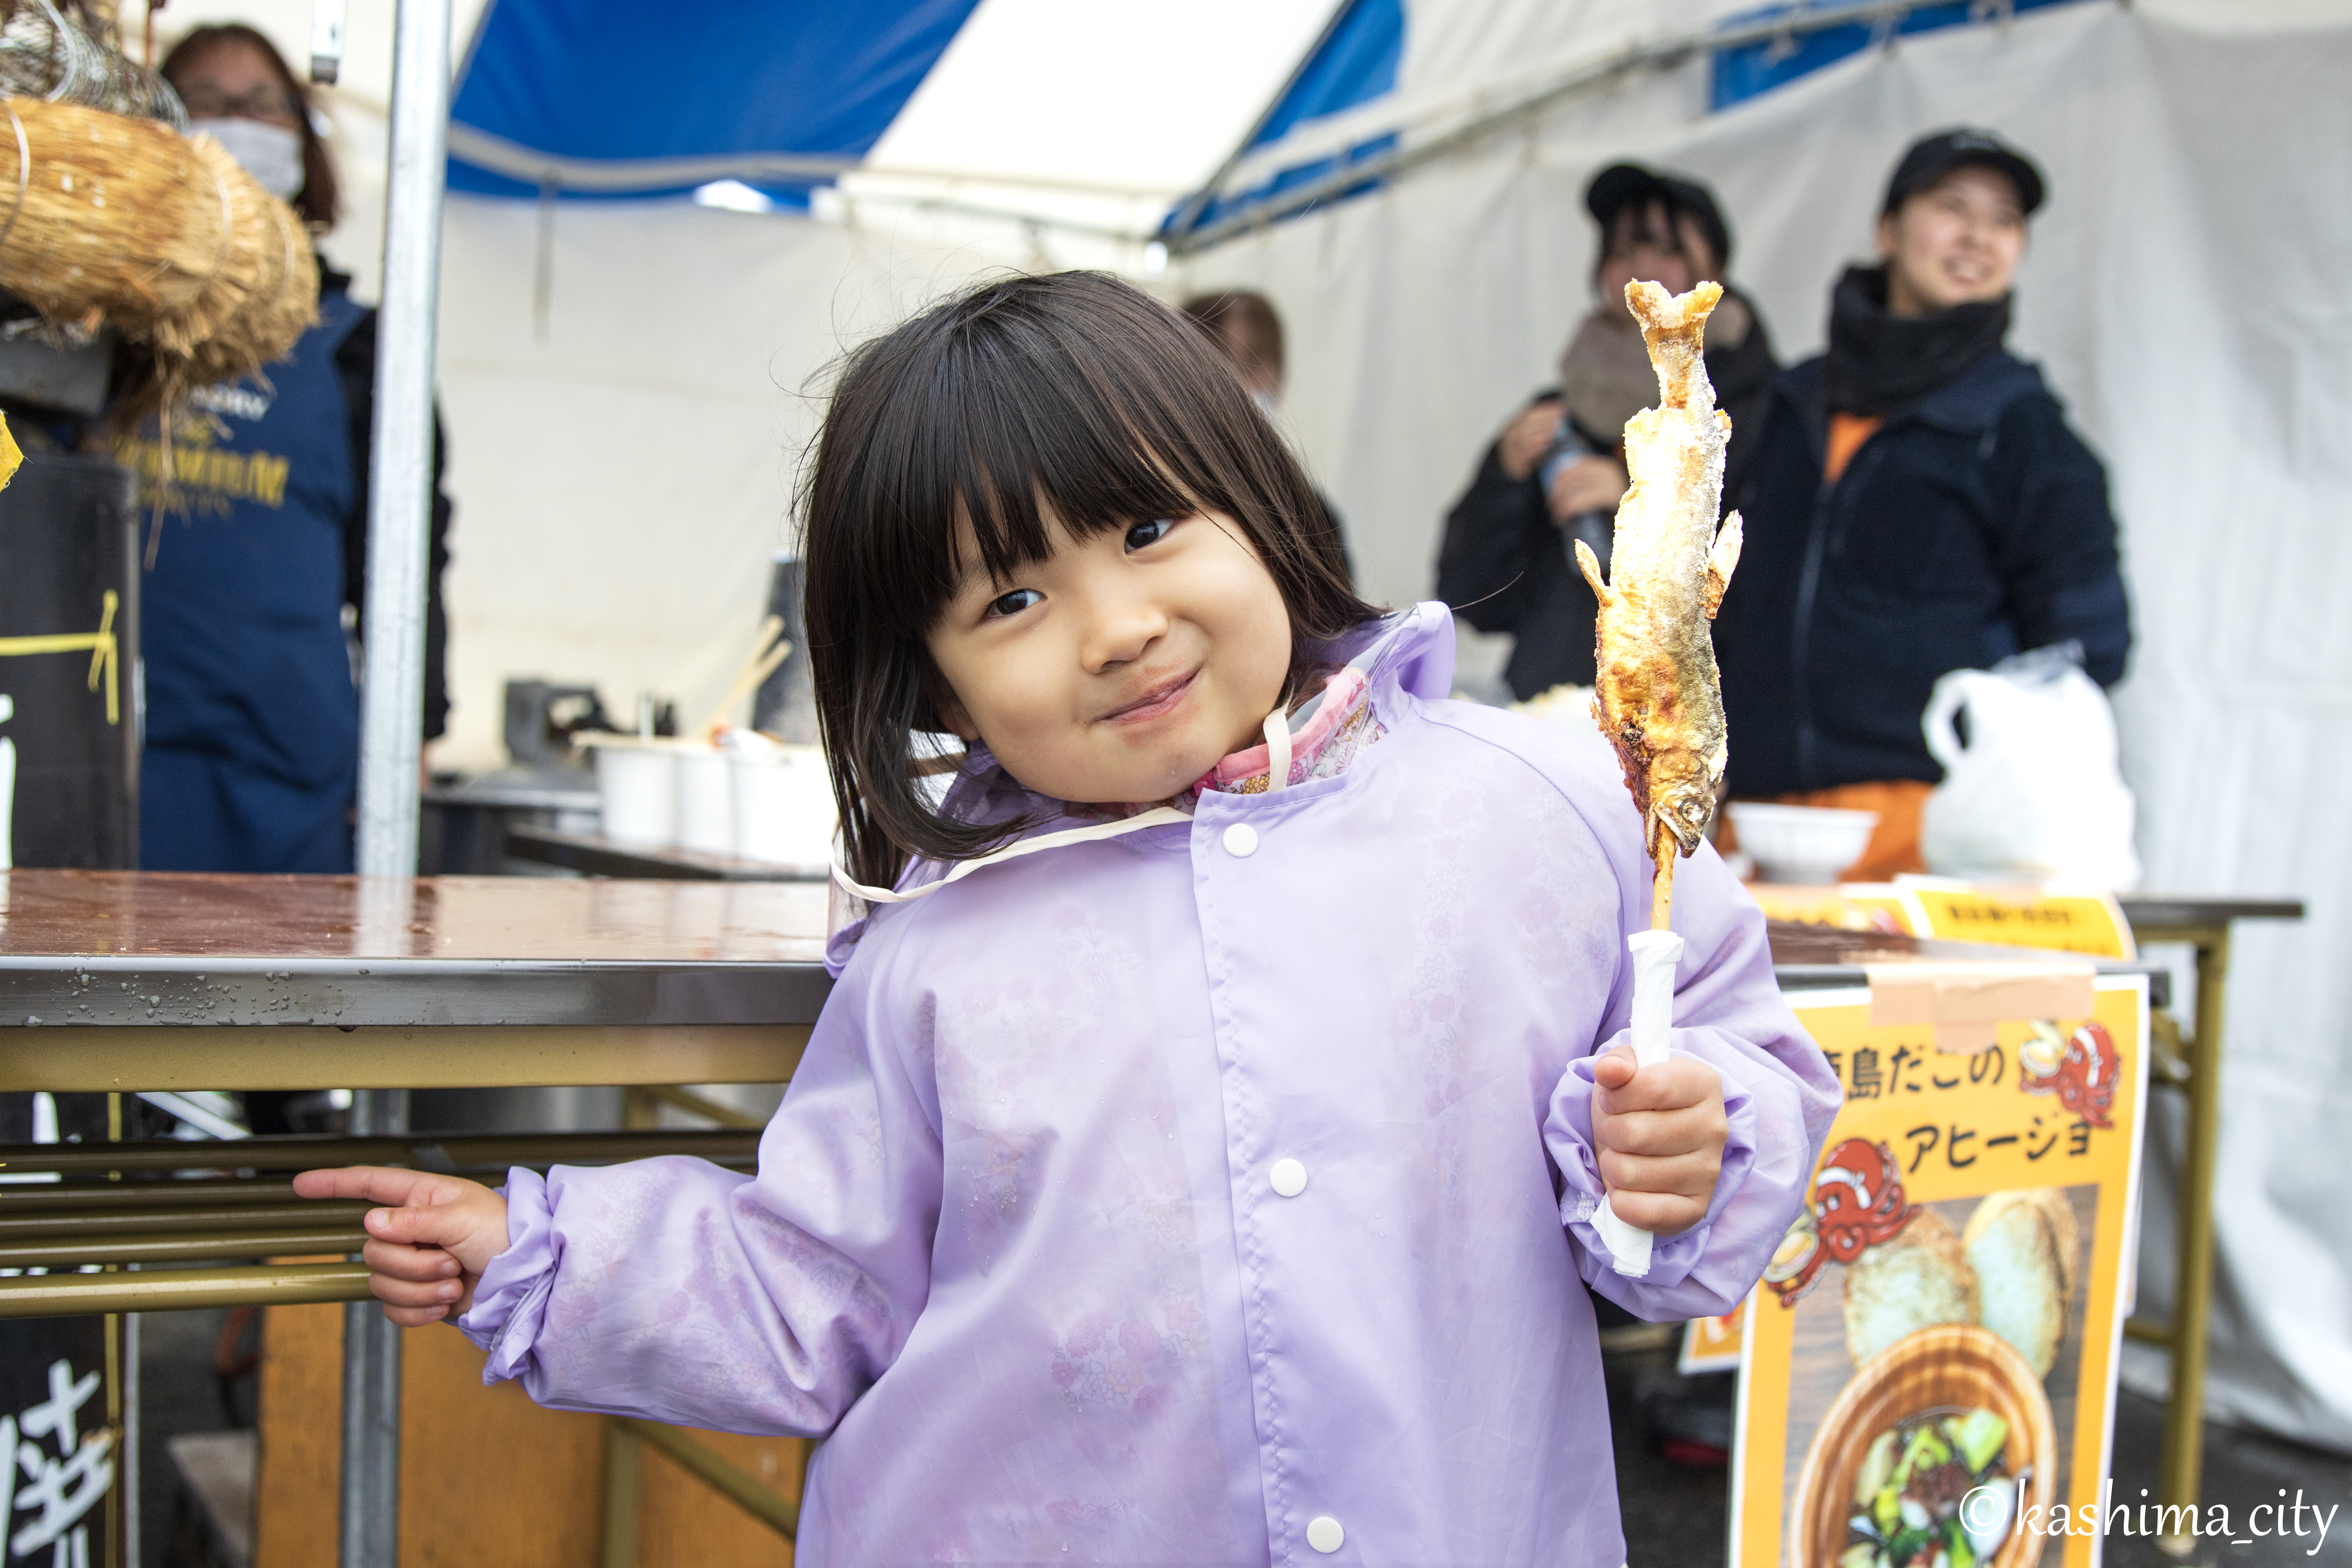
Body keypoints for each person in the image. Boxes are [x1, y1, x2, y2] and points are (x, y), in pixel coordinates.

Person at [295, 273, 1836, 1563]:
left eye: (1153, 527)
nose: (1117, 628)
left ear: (1260, 503)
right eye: (1010, 601)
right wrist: (545, 1255)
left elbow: (1715, 1071)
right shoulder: (940, 950)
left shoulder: (1553, 809)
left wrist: (1692, 1150)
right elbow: (820, 1284)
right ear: (933, 677)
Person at [1715, 129, 2130, 879]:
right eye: (1953, 207)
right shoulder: (1791, 402)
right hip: (1754, 822)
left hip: (1929, 835)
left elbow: (2091, 645)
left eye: (2005, 220)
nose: (1978, 236)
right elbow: (1725, 600)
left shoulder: (2023, 428)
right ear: (1888, 229)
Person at [130, 24, 452, 872]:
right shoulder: (101, 331)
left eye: (266, 103)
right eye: (206, 99)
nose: (238, 118)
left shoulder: (363, 350)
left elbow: (410, 572)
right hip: (113, 749)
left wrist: (411, 738)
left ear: (305, 142)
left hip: (290, 768)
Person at [1438, 163, 1777, 700]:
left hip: (1680, 735)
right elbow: (1470, 597)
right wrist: (1504, 478)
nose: (1642, 268)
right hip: (1552, 715)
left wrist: (1639, 509)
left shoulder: (1756, 408)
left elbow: (1767, 598)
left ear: (1716, 267)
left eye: (1666, 248)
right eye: (1622, 251)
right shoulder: (1558, 412)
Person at [1179, 288, 1356, 582]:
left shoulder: (1310, 512)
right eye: (1219, 367)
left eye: (1253, 366)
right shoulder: (1167, 500)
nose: (1242, 386)